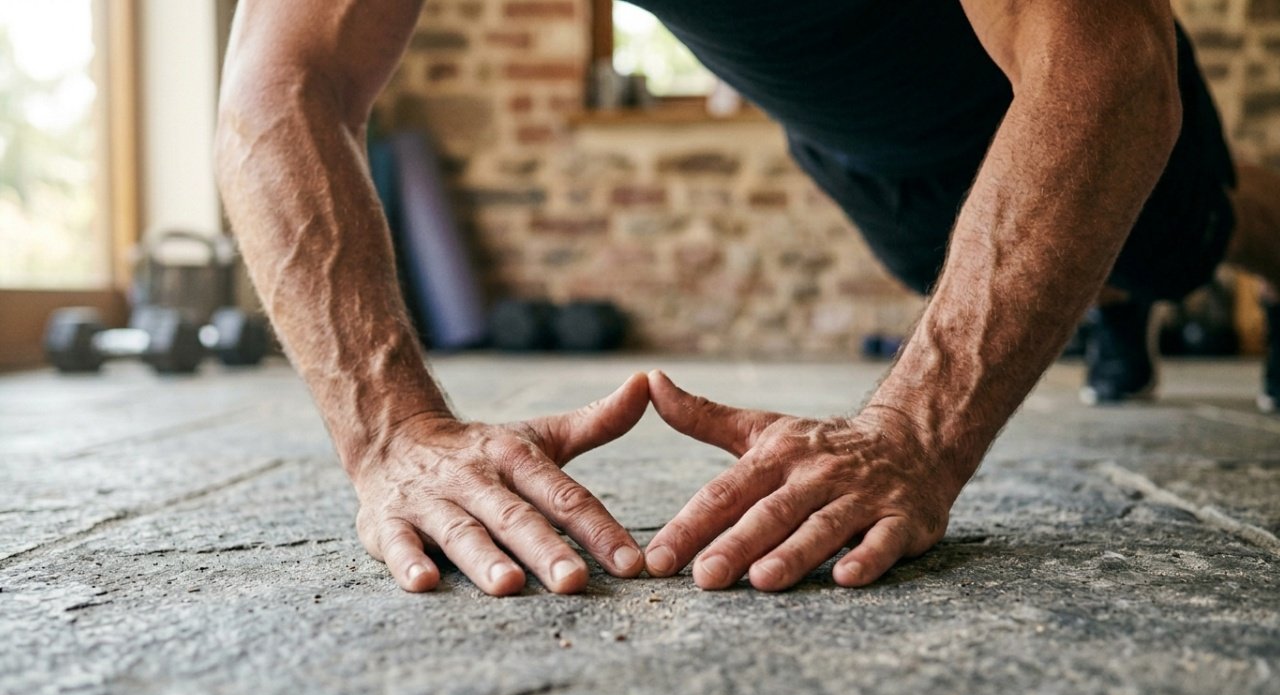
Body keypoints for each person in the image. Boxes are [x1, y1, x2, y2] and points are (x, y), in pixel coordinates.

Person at [215, 0, 1280, 596]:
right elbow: (283, 83)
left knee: (1184, 241)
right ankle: (1108, 292)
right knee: (978, 261)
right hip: (850, 134)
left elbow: (1104, 66)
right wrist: (390, 434)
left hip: (1049, 83)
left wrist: (916, 432)